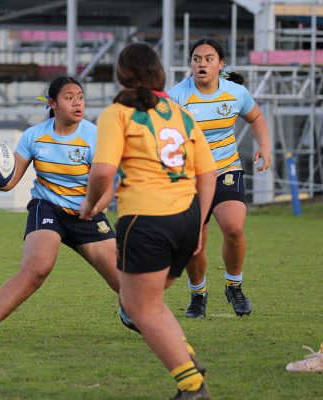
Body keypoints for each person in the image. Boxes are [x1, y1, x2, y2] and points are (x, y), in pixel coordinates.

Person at [80, 43, 217, 399]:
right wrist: (200, 222)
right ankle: (184, 352)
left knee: (140, 307)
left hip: (147, 218)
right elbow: (208, 173)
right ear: (159, 72)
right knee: (146, 301)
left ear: (122, 75)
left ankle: (191, 386)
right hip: (186, 217)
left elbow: (103, 171)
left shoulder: (116, 112)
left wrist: (91, 202)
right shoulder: (180, 113)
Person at [0, 76, 120, 347]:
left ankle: (130, 313)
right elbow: (8, 182)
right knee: (36, 269)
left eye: (80, 97)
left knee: (127, 282)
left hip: (87, 213)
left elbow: (108, 186)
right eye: (69, 98)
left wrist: (95, 206)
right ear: (53, 104)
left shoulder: (95, 136)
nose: (77, 103)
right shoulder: (34, 136)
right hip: (48, 209)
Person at [168, 38, 272, 318]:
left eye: (209, 58)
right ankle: (198, 294)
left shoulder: (236, 93)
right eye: (197, 58)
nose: (202, 63)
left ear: (221, 64)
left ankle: (234, 286)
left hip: (226, 168)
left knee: (234, 228)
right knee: (194, 243)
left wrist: (264, 145)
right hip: (190, 177)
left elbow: (256, 117)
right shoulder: (177, 96)